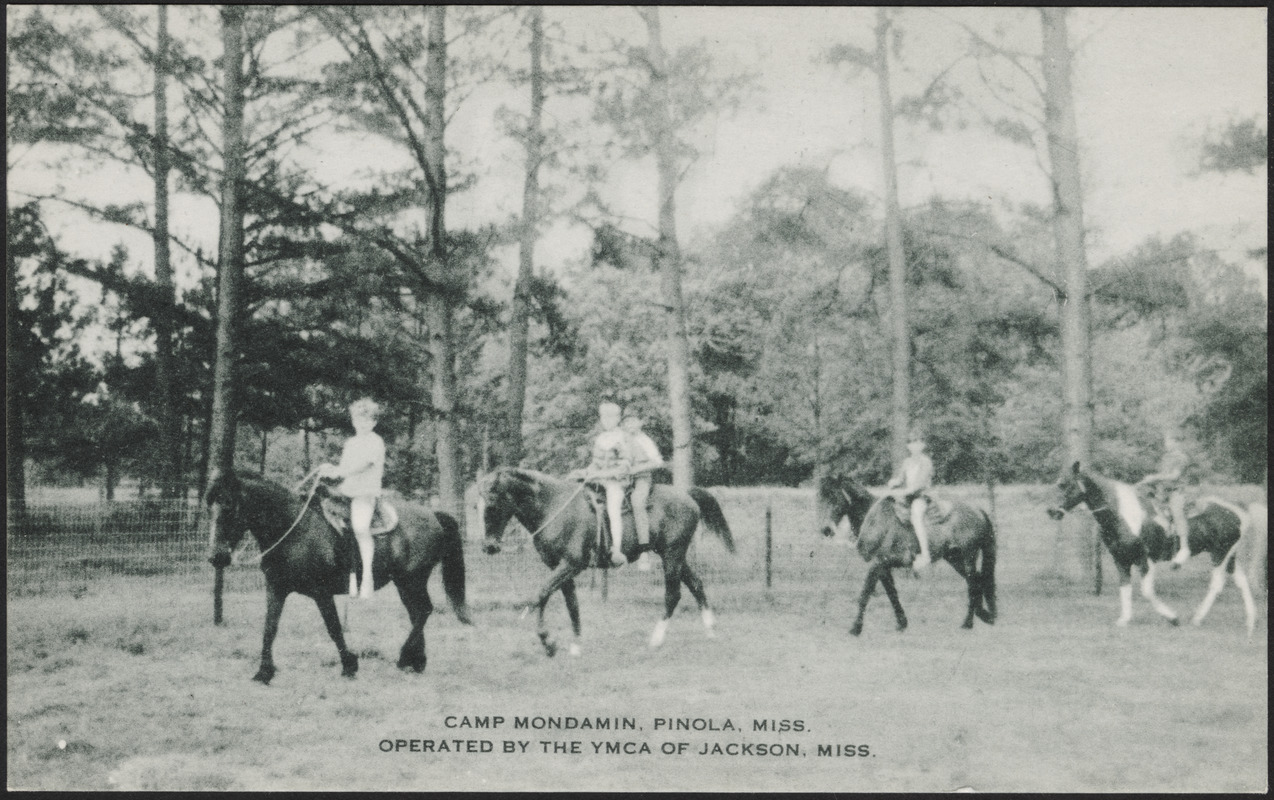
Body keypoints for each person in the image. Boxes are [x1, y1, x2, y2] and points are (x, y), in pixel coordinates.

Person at [318, 398, 385, 599]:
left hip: (365, 492)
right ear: (353, 420)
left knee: (361, 528)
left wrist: (339, 472)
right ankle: (343, 572)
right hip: (346, 491)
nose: (362, 423)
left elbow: (364, 465)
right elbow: (344, 467)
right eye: (358, 419)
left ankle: (367, 578)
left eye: (367, 420)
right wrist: (330, 469)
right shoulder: (351, 443)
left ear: (374, 422)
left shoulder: (375, 441)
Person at [581, 402, 632, 568]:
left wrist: (601, 474)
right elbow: (595, 463)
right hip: (599, 480)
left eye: (610, 417)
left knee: (613, 509)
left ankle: (616, 549)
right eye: (603, 417)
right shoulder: (601, 438)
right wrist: (586, 472)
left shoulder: (623, 437)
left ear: (617, 419)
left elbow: (625, 465)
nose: (606, 420)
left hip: (616, 481)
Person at [886, 428, 935, 571]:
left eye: (918, 442)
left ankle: (925, 555)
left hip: (921, 495)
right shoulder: (907, 462)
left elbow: (919, 484)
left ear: (923, 445)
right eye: (912, 442)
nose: (915, 445)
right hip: (907, 496)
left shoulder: (926, 462)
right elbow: (901, 478)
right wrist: (894, 482)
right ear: (908, 446)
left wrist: (905, 491)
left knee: (916, 515)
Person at [622, 412, 664, 571]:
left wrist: (635, 469)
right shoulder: (623, 439)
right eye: (626, 422)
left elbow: (658, 462)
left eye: (633, 421)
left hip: (641, 478)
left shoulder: (645, 440)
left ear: (640, 422)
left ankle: (644, 550)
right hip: (623, 478)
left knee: (637, 502)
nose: (629, 424)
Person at [1137, 430, 1190, 556]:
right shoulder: (1165, 458)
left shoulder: (1182, 458)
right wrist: (1146, 482)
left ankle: (1184, 546)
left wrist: (1154, 478)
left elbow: (1174, 476)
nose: (1166, 444)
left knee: (1177, 512)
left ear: (1176, 442)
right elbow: (1162, 476)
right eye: (1166, 441)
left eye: (1168, 441)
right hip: (1163, 492)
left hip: (1177, 491)